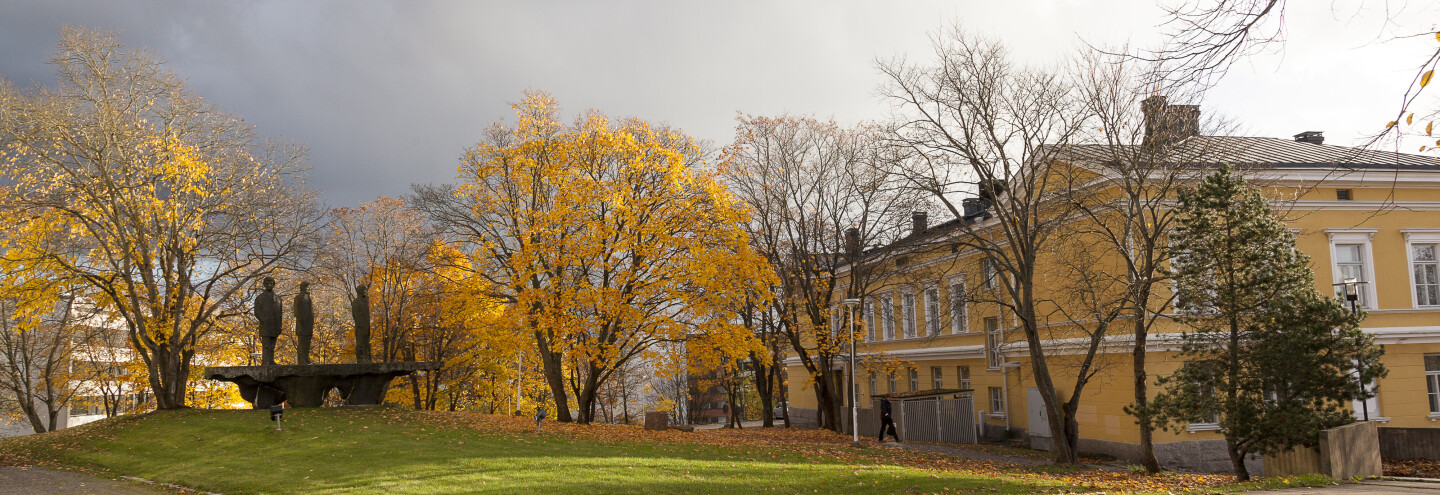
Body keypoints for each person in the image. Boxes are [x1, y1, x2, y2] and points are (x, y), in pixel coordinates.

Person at [253, 277, 284, 366]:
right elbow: (257, 311)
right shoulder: (260, 298)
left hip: (275, 324)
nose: (269, 285)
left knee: (272, 345)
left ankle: (271, 360)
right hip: (266, 325)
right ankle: (265, 361)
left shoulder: (278, 299)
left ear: (273, 284)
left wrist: (279, 326)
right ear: (264, 285)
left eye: (271, 283)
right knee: (266, 345)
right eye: (267, 283)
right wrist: (264, 319)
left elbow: (280, 314)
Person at [293, 281, 315, 365]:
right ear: (301, 287)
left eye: (308, 286)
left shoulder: (308, 297)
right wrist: (301, 319)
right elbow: (296, 311)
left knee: (307, 341)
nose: (307, 288)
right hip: (302, 323)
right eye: (305, 286)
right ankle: (301, 359)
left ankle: (306, 357)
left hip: (309, 323)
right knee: (302, 341)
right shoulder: (298, 298)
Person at [351, 284, 372, 364]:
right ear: (360, 292)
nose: (365, 292)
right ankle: (361, 358)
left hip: (366, 326)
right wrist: (359, 324)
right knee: (360, 343)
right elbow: (355, 314)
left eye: (366, 290)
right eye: (364, 290)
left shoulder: (365, 302)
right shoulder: (356, 302)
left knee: (366, 343)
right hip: (360, 326)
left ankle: (367, 358)